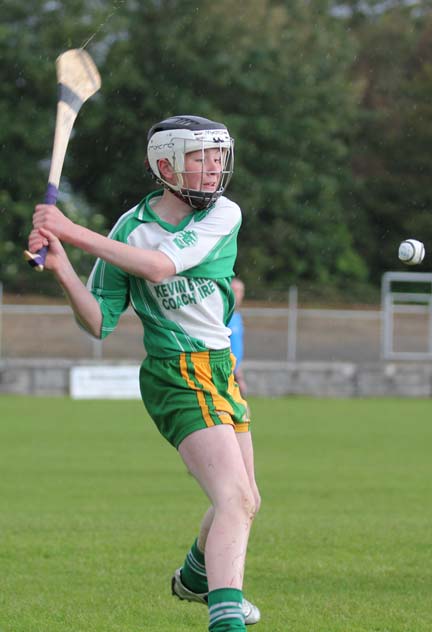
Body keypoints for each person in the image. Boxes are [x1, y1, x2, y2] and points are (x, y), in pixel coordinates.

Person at [27, 115, 261, 632]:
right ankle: (226, 621)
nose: (214, 169)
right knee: (234, 499)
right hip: (175, 373)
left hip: (218, 367)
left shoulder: (224, 214)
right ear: (166, 166)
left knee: (248, 500)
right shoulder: (128, 231)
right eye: (201, 158)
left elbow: (157, 267)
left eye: (219, 157)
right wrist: (64, 267)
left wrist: (70, 230)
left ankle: (197, 578)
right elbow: (97, 323)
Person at [229, 278, 248, 397]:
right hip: (226, 374)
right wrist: (237, 376)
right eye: (234, 290)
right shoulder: (223, 317)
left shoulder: (237, 317)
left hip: (235, 374)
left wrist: (239, 372)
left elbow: (236, 349)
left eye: (240, 291)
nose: (237, 294)